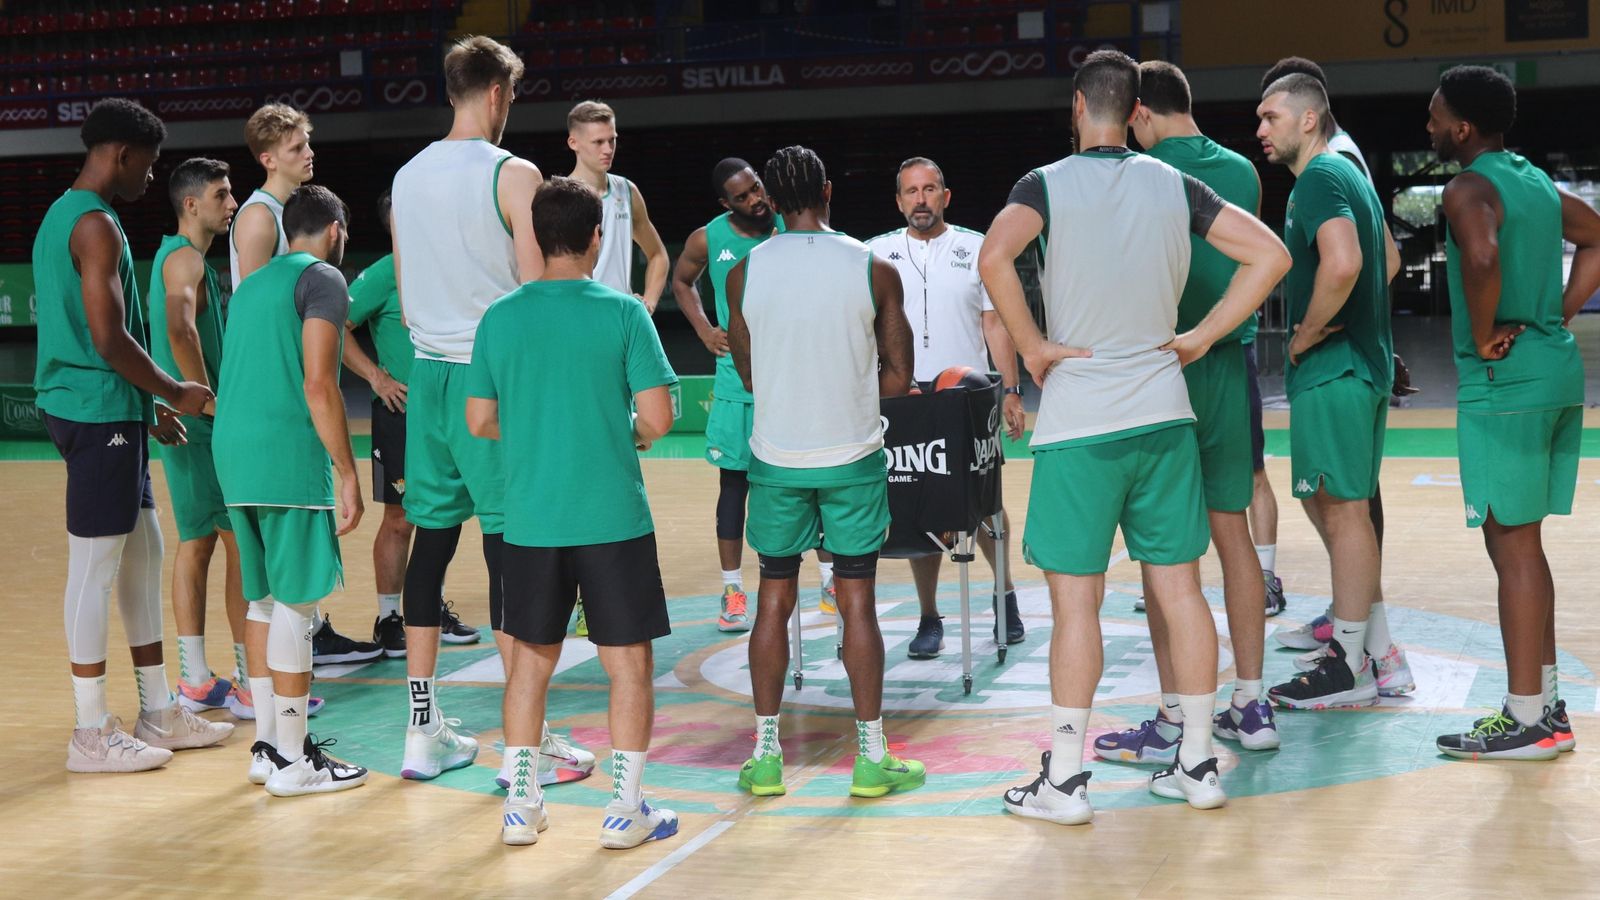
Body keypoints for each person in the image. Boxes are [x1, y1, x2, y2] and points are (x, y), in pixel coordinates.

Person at [980, 50, 1289, 823]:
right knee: (1181, 591)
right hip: (1163, 413)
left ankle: (1066, 782)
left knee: (1076, 604)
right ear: (1131, 109)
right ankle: (1196, 763)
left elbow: (992, 257)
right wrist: (1202, 335)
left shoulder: (1043, 183)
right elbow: (1271, 256)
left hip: (1082, 422)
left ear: (1081, 106)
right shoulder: (1174, 183)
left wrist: (1033, 349)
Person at [391, 35, 593, 786]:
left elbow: (409, 291)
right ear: (499, 93)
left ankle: (421, 732)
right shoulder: (514, 173)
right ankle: (527, 744)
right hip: (492, 379)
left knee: (431, 551)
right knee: (514, 557)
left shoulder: (407, 177)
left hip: (428, 377)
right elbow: (540, 294)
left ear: (452, 90)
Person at [467, 176, 680, 849]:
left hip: (530, 519)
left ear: (534, 235)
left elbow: (480, 419)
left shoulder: (500, 317)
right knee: (628, 664)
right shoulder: (623, 313)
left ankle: (521, 807)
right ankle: (624, 810)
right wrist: (619, 432)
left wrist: (538, 429)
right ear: (598, 236)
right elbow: (658, 417)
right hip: (612, 516)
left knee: (529, 664)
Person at [36, 98, 230, 773]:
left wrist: (148, 408)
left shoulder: (75, 215)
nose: (152, 177)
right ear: (122, 155)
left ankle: (157, 710)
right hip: (94, 413)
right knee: (94, 569)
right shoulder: (94, 226)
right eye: (147, 164)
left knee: (143, 552)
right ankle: (90, 733)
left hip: (112, 411)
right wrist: (173, 389)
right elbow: (107, 337)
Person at [725, 145, 925, 800]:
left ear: (774, 203)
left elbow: (750, 373)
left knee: (773, 597)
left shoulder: (744, 274)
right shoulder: (873, 269)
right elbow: (900, 379)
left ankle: (766, 756)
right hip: (852, 456)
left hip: (778, 458)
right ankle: (871, 758)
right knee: (856, 598)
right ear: (829, 191)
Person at [1093, 60, 1279, 766]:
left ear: (1137, 112)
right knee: (1233, 537)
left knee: (1164, 550)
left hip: (1162, 370)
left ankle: (1173, 718)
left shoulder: (1136, 174)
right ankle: (1252, 701)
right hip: (1228, 365)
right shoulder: (1243, 172)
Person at [1428, 66, 1600, 759]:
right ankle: (1547, 705)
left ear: (1463, 128)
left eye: (1436, 116)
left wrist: (1479, 330)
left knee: (1513, 547)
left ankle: (1527, 718)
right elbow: (1596, 236)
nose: (1429, 126)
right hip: (1555, 371)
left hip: (1508, 383)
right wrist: (1556, 313)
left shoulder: (1468, 187)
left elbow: (1482, 252)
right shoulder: (1531, 181)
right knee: (1524, 545)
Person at [1256, 73, 1412, 709]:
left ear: (1309, 120)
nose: (1260, 130)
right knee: (1337, 507)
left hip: (1335, 368)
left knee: (1341, 509)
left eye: (1270, 118)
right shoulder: (1351, 174)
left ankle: (1348, 664)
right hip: (1360, 368)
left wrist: (1307, 332)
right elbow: (1389, 262)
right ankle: (1377, 651)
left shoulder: (1320, 177)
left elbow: (1345, 263)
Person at [212, 184, 368, 795]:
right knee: (298, 607)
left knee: (264, 603)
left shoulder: (250, 285)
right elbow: (319, 384)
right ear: (333, 230)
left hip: (235, 455)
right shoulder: (324, 279)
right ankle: (294, 761)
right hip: (286, 457)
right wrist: (348, 471)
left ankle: (268, 750)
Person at [229, 101, 379, 668]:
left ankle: (295, 657)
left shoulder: (288, 210)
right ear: (268, 158)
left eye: (307, 144)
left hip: (265, 414)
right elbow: (263, 306)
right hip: (273, 406)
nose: (308, 153)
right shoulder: (262, 218)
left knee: (271, 592)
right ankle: (278, 699)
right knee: (275, 589)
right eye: (296, 148)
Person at [866, 156, 1025, 659]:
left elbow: (995, 325)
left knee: (987, 505)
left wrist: (1011, 391)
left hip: (970, 401)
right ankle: (929, 615)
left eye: (930, 189)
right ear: (898, 201)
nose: (921, 199)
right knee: (922, 510)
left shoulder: (978, 248)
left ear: (946, 196)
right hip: (906, 403)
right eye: (911, 191)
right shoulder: (876, 254)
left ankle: (1005, 597)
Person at [340, 191, 482, 658]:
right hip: (402, 413)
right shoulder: (382, 274)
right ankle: (388, 619)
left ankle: (429, 607)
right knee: (400, 518)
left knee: (445, 514)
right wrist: (376, 377)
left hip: (451, 410)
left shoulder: (450, 267)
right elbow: (335, 325)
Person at [146, 158, 249, 714]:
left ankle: (195, 677)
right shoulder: (184, 259)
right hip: (201, 425)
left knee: (198, 541)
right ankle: (247, 678)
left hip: (186, 425)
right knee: (235, 543)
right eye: (222, 194)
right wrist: (207, 398)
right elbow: (180, 327)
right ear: (191, 204)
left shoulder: (178, 256)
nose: (231, 204)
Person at [670, 158, 783, 632]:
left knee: (803, 485)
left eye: (756, 188)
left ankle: (828, 581)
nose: (755, 199)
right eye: (743, 196)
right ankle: (733, 589)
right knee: (733, 486)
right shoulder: (707, 238)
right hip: (737, 384)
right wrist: (702, 329)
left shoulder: (788, 223)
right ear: (725, 203)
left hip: (789, 379)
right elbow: (681, 281)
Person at [565, 100, 670, 310]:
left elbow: (658, 255)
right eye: (598, 142)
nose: (608, 149)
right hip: (579, 315)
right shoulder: (560, 196)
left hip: (622, 318)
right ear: (573, 143)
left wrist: (647, 305)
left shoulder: (627, 190)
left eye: (612, 140)